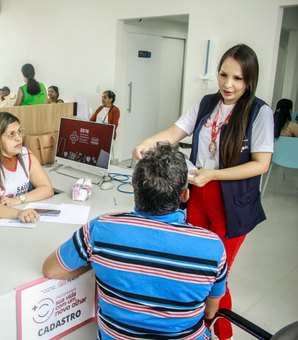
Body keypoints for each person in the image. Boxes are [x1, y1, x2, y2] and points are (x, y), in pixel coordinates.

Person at [133, 44, 274, 340]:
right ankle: (199, 329)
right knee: (194, 266)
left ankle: (221, 333)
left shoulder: (259, 113)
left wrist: (214, 174)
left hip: (231, 204)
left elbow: (260, 165)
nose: (228, 84)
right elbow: (174, 133)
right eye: (223, 75)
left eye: (237, 78)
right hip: (197, 197)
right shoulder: (207, 103)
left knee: (215, 275)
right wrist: (147, 141)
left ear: (249, 81)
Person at [43, 142, 227, 340]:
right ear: (185, 194)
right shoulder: (212, 247)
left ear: (134, 188)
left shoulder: (101, 229)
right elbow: (210, 312)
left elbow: (51, 269)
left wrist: (96, 260)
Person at [0, 112, 54, 222]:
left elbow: (47, 189)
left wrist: (19, 199)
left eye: (19, 132)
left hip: (22, 219)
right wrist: (19, 213)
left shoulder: (25, 154)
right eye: (11, 134)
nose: (18, 138)